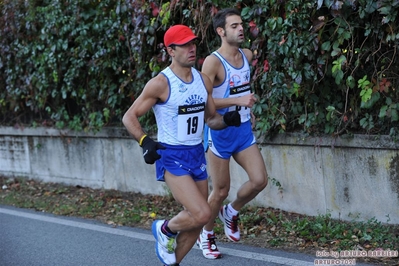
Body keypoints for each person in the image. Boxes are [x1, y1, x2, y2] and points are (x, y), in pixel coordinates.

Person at [122, 24, 241, 266]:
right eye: (185, 45)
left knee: (197, 223)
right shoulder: (161, 83)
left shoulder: (203, 81)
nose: (191, 48)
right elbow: (129, 116)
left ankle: (173, 262)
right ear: (170, 51)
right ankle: (165, 228)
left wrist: (226, 120)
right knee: (203, 213)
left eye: (193, 43)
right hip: (171, 155)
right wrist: (145, 141)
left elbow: (211, 119)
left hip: (196, 154)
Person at [196, 8, 268, 259]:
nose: (241, 29)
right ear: (221, 31)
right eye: (234, 26)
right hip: (219, 132)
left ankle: (232, 211)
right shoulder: (213, 62)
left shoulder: (247, 55)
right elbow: (205, 102)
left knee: (259, 180)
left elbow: (244, 89)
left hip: (243, 129)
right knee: (221, 190)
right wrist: (238, 100)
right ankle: (206, 236)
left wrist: (247, 107)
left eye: (241, 25)